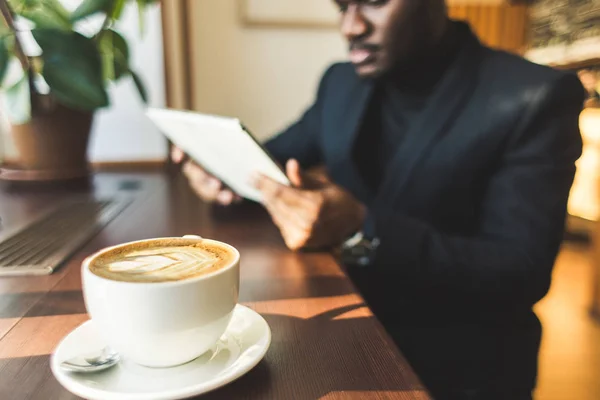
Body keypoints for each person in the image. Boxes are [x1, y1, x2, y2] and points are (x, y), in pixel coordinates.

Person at [173, 0, 585, 398]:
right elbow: (270, 161)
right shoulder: (340, 82)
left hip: (462, 367)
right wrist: (219, 173)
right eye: (342, 6)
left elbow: (521, 273)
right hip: (343, 337)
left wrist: (360, 228)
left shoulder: (535, 96)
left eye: (373, 2)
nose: (351, 26)